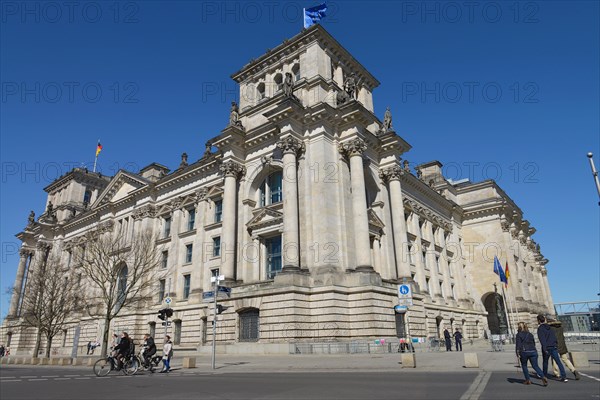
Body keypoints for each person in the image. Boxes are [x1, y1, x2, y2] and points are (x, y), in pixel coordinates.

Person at [537, 314, 567, 382]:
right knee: (558, 362)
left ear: (538, 321)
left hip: (547, 347)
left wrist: (544, 348)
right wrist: (555, 344)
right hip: (553, 346)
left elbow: (542, 340)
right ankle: (564, 376)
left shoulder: (540, 329)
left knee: (545, 362)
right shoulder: (550, 327)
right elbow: (554, 337)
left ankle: (544, 375)